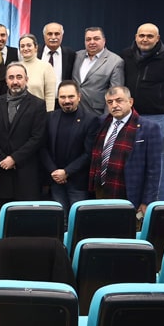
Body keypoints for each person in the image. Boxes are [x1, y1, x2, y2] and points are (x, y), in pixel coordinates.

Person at [88, 86, 162, 217]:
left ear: (130, 101)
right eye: (110, 102)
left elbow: (154, 170)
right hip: (100, 190)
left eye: (119, 100)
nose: (114, 105)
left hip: (130, 194)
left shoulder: (149, 128)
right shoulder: (101, 122)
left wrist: (147, 201)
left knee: (126, 229)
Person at [0, 63, 47, 213]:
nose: (15, 81)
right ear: (6, 81)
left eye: (19, 77)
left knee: (26, 218)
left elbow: (37, 138)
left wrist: (14, 158)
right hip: (2, 172)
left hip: (26, 174)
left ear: (26, 79)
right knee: (2, 218)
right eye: (11, 77)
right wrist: (2, 159)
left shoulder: (38, 105)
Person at [40, 80, 99, 225]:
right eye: (62, 97)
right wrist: (54, 171)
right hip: (55, 181)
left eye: (71, 96)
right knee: (60, 221)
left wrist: (66, 172)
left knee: (78, 222)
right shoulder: (50, 117)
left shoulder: (91, 120)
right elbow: (42, 147)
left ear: (79, 97)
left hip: (78, 182)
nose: (67, 101)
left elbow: (89, 153)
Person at [121, 22, 164, 137]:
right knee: (126, 148)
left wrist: (161, 95)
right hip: (128, 114)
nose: (145, 39)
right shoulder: (126, 55)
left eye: (150, 36)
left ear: (157, 38)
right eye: (141, 36)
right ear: (136, 37)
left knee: (151, 149)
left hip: (155, 117)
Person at [72, 27, 124, 116]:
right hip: (74, 111)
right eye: (88, 39)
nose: (92, 42)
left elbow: (115, 93)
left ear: (104, 41)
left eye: (96, 39)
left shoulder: (115, 61)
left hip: (97, 113)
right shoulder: (76, 56)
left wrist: (107, 118)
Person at [18, 33, 56, 111]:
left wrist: (49, 114)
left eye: (29, 45)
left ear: (36, 47)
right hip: (18, 113)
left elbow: (50, 95)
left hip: (39, 113)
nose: (25, 48)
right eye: (22, 46)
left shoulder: (46, 67)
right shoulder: (16, 67)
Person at [38, 22, 76, 91]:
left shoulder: (70, 54)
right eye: (50, 34)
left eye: (57, 34)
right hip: (38, 96)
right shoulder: (35, 52)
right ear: (44, 36)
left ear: (62, 35)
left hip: (61, 96)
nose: (53, 37)